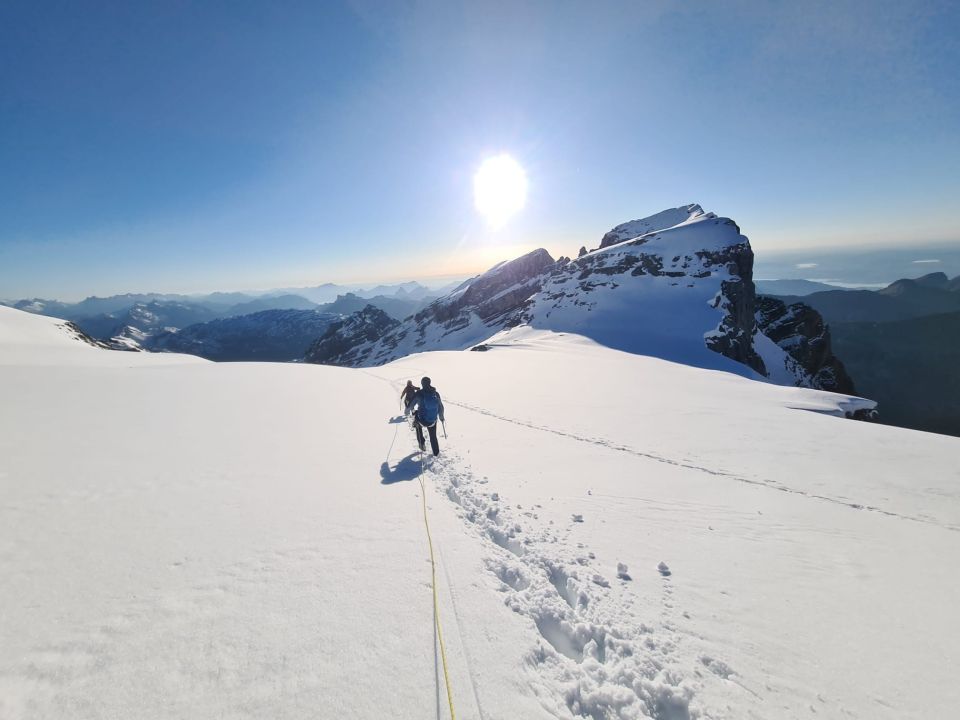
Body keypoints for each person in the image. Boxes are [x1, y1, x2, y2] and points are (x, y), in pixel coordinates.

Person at [409, 376, 445, 456]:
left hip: (422, 420)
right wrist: (441, 418)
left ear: (422, 384)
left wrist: (413, 411)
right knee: (433, 436)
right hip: (433, 421)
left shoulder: (419, 393)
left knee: (417, 422)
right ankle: (436, 453)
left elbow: (411, 406)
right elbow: (440, 407)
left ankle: (422, 444)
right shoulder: (435, 393)